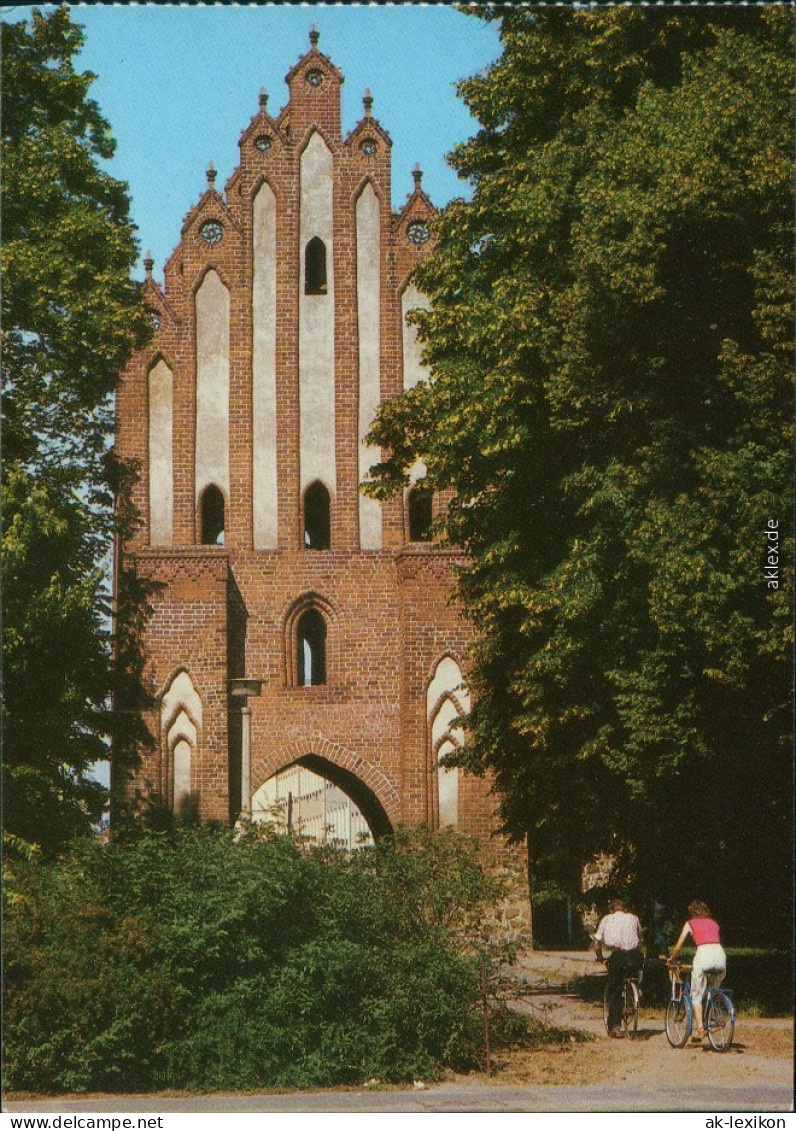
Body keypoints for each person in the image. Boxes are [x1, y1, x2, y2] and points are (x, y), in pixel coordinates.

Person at [669, 900, 726, 1043]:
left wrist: (671, 959)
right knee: (712, 990)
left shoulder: (690, 923)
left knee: (696, 995)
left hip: (703, 955)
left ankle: (701, 1029)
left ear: (692, 912)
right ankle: (713, 1012)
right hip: (720, 955)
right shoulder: (714, 923)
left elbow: (678, 946)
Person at [593, 898, 644, 1038]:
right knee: (635, 969)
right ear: (625, 909)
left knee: (615, 990)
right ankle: (636, 988)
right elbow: (640, 939)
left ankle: (615, 1026)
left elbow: (596, 942)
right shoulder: (634, 918)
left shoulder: (606, 919)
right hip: (634, 956)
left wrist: (600, 957)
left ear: (611, 910)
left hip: (618, 955)